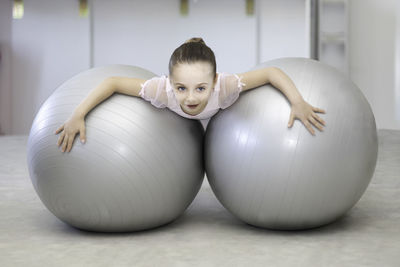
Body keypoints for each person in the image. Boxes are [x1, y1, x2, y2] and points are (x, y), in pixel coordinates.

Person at [55, 37, 326, 153]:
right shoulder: (159, 89)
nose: (190, 98)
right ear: (170, 82)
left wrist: (297, 101)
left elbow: (271, 73)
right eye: (181, 88)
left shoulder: (227, 86)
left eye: (201, 88)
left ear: (214, 81)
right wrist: (78, 114)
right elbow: (112, 82)